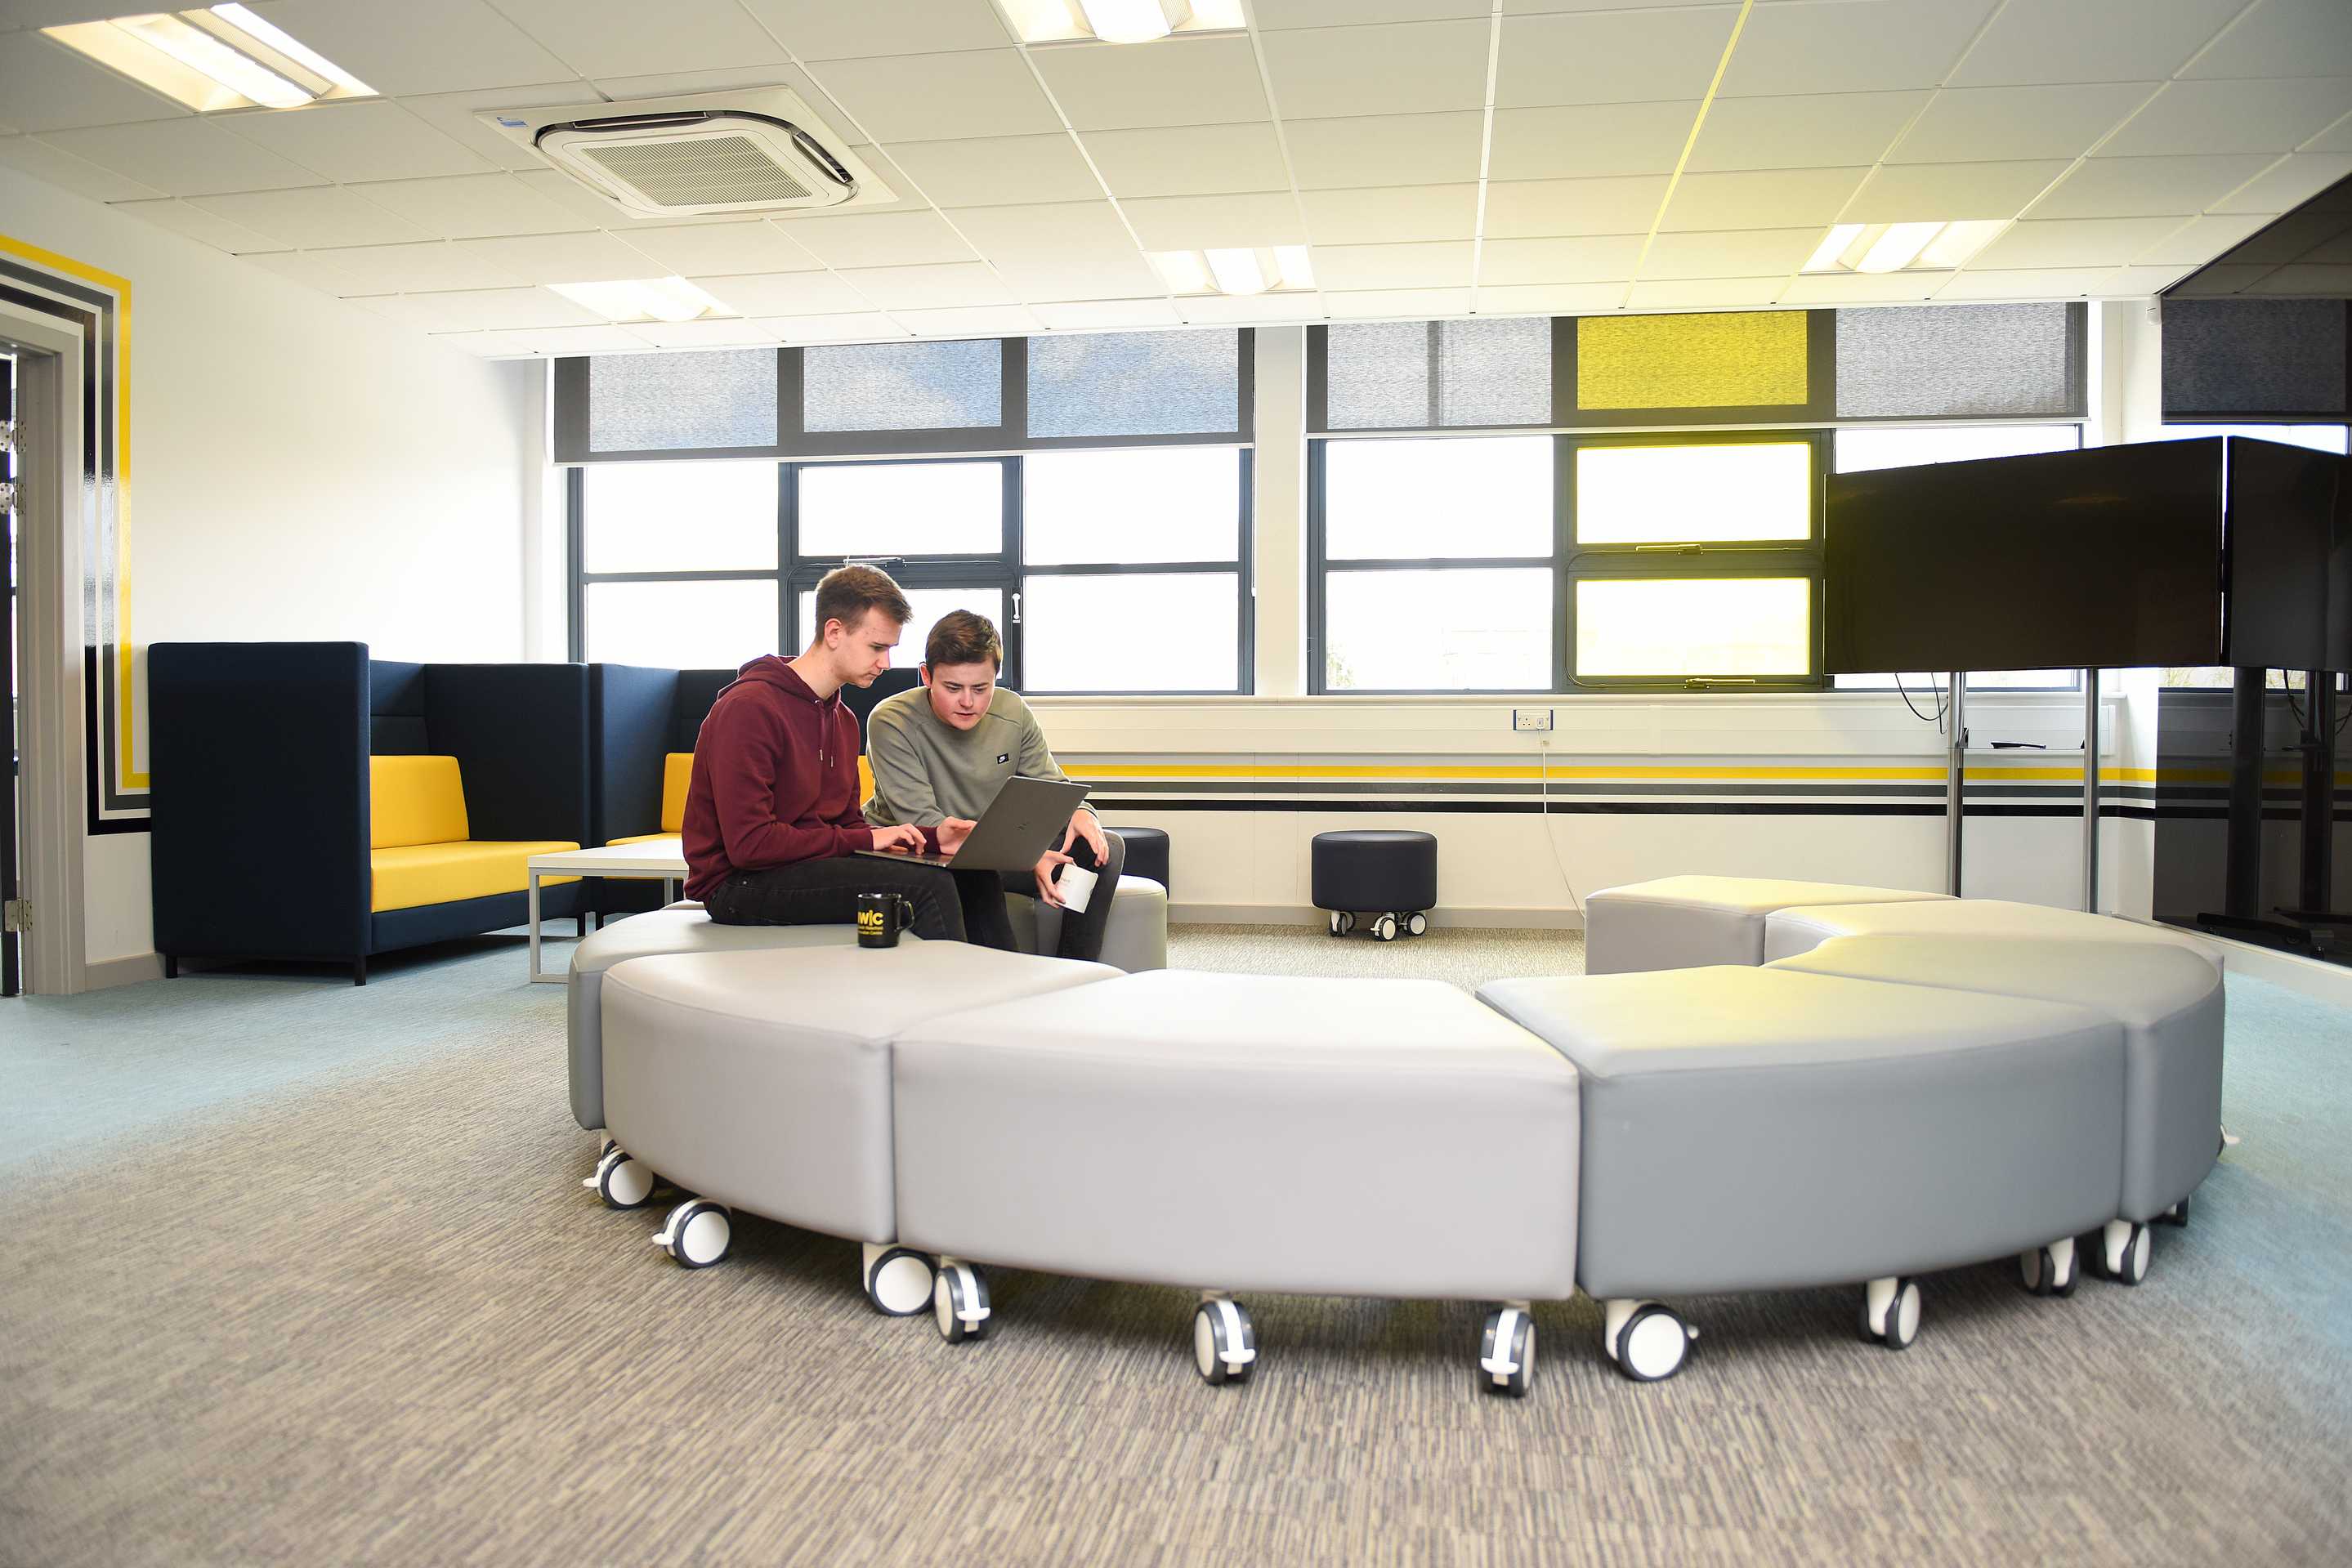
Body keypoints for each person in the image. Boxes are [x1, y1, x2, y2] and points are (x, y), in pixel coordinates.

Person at [681, 565, 1016, 949]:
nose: (886, 663)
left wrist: (932, 838)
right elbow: (751, 845)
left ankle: (1001, 997)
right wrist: (871, 840)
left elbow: (845, 826)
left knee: (973, 873)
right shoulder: (749, 709)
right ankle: (952, 1003)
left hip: (800, 866)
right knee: (927, 886)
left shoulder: (842, 719)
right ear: (835, 632)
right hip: (736, 883)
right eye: (877, 647)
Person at [863, 609, 1127, 963]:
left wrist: (1080, 812)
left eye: (981, 688)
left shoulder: (1013, 711)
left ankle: (1075, 967)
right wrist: (1023, 857)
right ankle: (1006, 981)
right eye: (953, 688)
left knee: (1102, 848)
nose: (968, 702)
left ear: (995, 679)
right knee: (975, 872)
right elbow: (925, 822)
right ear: (926, 676)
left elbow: (1051, 788)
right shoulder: (890, 720)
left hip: (998, 850)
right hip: (923, 851)